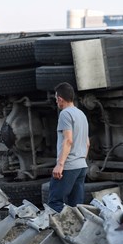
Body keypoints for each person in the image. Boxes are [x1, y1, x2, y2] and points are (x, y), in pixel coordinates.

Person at [47, 83, 89, 213]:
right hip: (81, 165)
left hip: (69, 166)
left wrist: (60, 164)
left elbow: (68, 140)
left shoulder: (65, 114)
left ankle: (59, 232)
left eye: (56, 99)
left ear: (60, 99)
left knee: (55, 203)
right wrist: (81, 158)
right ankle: (77, 233)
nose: (56, 101)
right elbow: (87, 142)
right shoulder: (81, 114)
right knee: (76, 207)